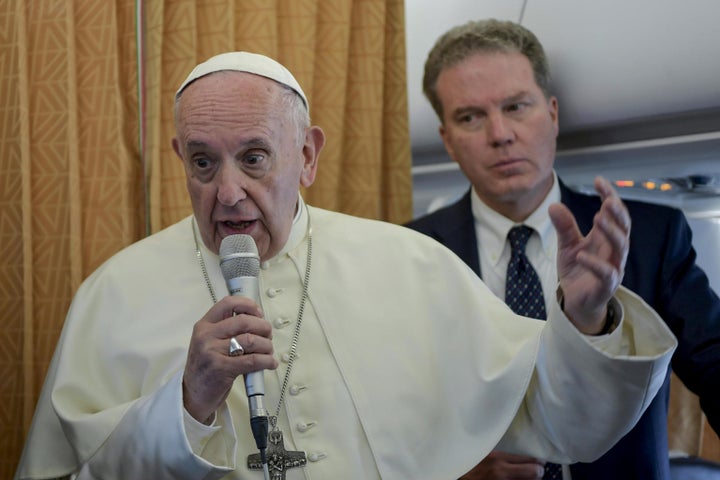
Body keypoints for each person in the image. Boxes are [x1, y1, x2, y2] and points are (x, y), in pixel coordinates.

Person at [14, 51, 676, 480]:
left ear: (306, 155)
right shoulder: (114, 293)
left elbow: (553, 419)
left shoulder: (410, 264)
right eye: (202, 162)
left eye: (253, 157)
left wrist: (586, 322)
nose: (228, 192)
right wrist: (184, 406)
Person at [405, 18, 720, 480]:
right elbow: (387, 417)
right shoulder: (412, 253)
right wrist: (453, 470)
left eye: (516, 106)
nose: (500, 134)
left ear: (552, 113)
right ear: (448, 141)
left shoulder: (650, 235)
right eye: (470, 117)